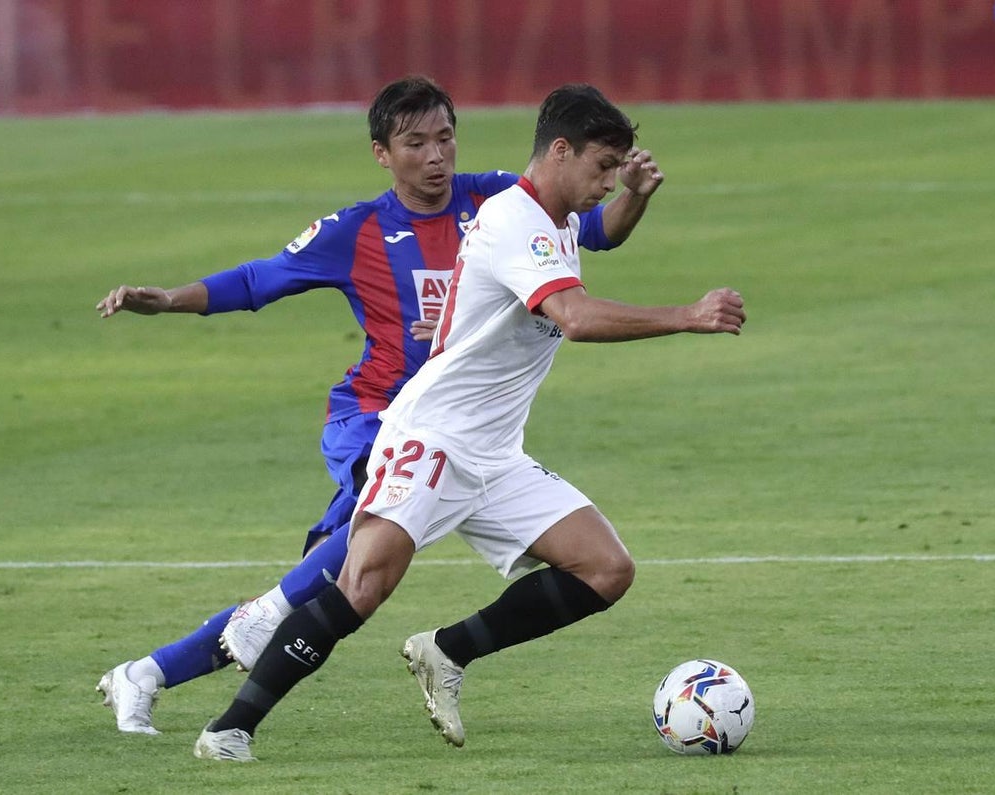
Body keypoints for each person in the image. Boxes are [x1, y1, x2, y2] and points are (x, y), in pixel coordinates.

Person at [93, 75, 664, 735]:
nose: (435, 156)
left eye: (445, 137)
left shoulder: (503, 198)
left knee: (336, 578)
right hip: (373, 419)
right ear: (382, 154)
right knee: (344, 571)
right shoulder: (358, 231)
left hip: (466, 430)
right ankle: (200, 662)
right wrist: (168, 297)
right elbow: (258, 280)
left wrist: (634, 198)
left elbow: (593, 228)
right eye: (414, 142)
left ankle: (154, 672)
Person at [193, 83, 746, 761]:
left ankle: (445, 651)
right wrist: (688, 315)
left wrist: (633, 192)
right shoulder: (515, 220)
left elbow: (606, 235)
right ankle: (230, 728)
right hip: (431, 434)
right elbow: (572, 318)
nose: (607, 182)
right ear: (561, 151)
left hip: (492, 451)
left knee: (606, 568)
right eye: (603, 167)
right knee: (363, 586)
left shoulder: (559, 213)